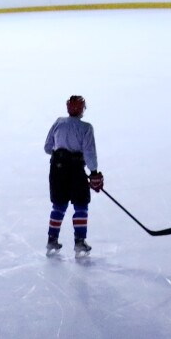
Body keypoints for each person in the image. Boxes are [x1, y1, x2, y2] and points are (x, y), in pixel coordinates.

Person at [44, 94, 102, 255]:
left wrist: (61, 155)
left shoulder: (58, 122)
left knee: (59, 205)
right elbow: (89, 152)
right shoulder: (86, 128)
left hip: (57, 169)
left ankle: (52, 240)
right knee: (81, 204)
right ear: (82, 109)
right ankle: (79, 241)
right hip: (76, 170)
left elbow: (48, 147)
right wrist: (94, 172)